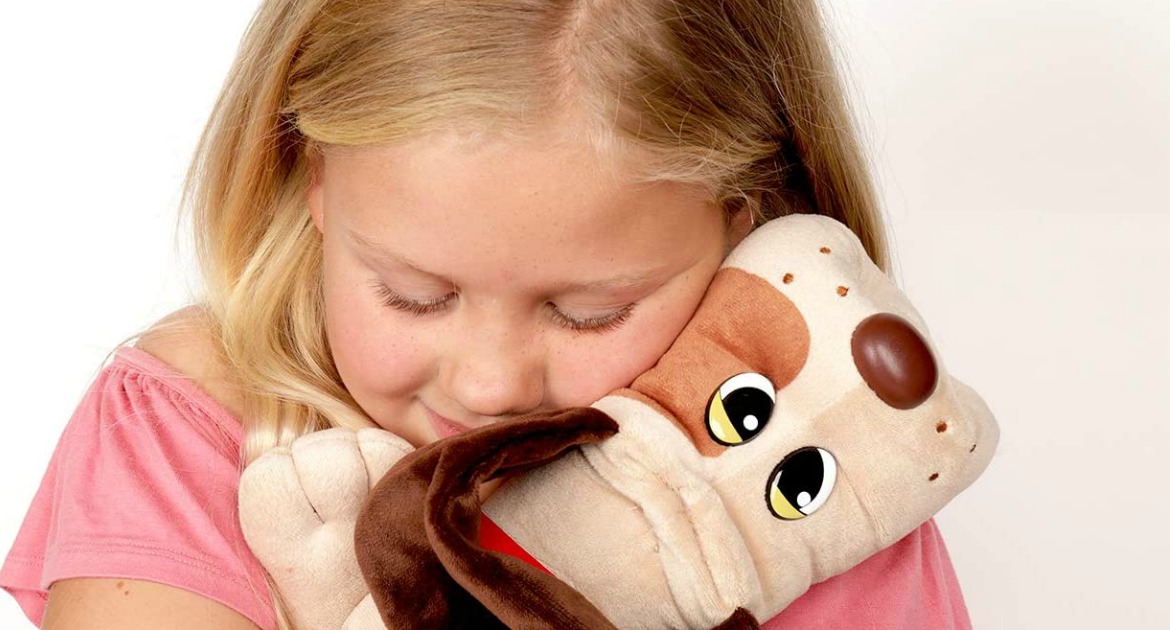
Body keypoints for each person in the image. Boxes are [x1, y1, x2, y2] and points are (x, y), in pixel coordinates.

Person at [0, 0, 972, 628]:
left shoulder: (805, 475)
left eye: (589, 312)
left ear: (741, 220)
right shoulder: (187, 428)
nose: (491, 383)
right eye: (415, 295)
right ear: (311, 181)